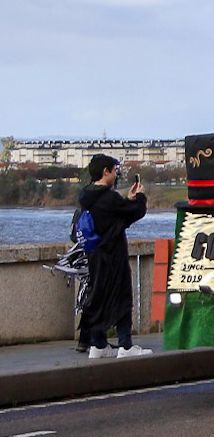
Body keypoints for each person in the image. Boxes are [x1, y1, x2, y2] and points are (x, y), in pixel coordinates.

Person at [75, 154, 151, 359]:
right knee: (122, 296)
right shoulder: (109, 198)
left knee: (99, 296)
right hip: (113, 254)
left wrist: (126, 199)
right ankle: (125, 346)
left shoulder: (86, 196)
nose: (116, 174)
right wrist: (140, 198)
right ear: (105, 172)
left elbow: (113, 214)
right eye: (114, 170)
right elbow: (131, 213)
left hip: (94, 255)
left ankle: (98, 345)